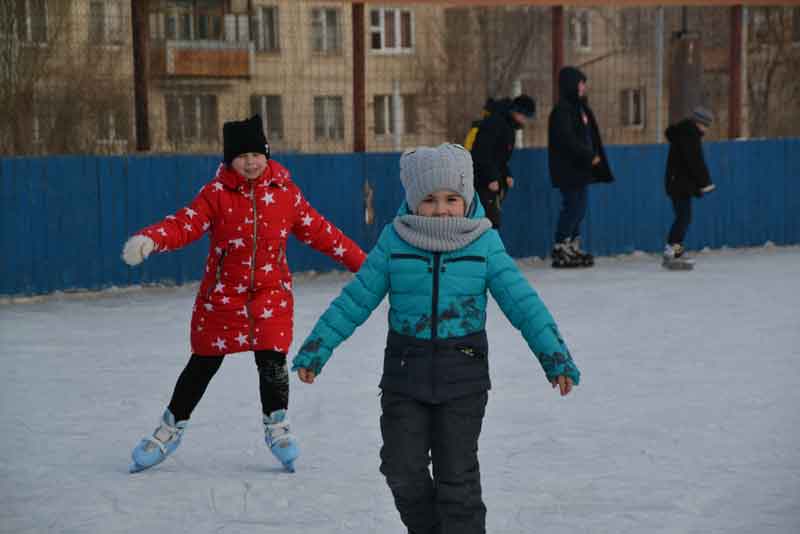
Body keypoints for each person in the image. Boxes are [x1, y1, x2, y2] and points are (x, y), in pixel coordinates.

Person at [292, 143, 580, 534]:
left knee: (456, 478)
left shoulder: (483, 242)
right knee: (401, 468)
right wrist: (317, 347)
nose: (442, 209)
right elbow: (355, 300)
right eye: (429, 199)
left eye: (451, 198)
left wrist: (555, 356)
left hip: (463, 376)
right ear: (412, 201)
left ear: (468, 198)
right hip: (404, 374)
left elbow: (523, 303)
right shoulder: (396, 240)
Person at [121, 115, 366, 473]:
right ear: (228, 160)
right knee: (202, 364)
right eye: (241, 156)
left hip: (270, 295)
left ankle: (277, 426)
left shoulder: (287, 195)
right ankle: (170, 428)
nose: (250, 162)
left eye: (256, 153)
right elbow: (184, 224)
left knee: (272, 362)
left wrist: (368, 266)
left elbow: (324, 233)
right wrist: (152, 240)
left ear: (266, 154)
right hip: (223, 297)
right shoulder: (216, 195)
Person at [547, 66, 614, 268]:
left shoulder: (580, 109)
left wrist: (594, 157)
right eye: (580, 83)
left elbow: (588, 136)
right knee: (573, 206)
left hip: (580, 169)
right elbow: (567, 139)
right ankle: (561, 245)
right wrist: (588, 155)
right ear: (571, 85)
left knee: (580, 207)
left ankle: (573, 243)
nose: (584, 87)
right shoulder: (562, 111)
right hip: (568, 169)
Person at [469, 94, 536, 229]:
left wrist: (507, 174)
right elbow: (481, 153)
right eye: (524, 116)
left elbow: (500, 158)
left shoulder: (508, 127)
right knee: (488, 222)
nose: (525, 121)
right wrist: (491, 178)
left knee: (492, 221)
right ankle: (484, 250)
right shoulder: (495, 123)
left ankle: (487, 249)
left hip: (493, 183)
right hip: (482, 182)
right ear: (517, 112)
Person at [662, 106, 716, 270]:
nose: (706, 130)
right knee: (683, 217)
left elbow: (691, 161)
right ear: (699, 123)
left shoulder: (685, 133)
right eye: (706, 125)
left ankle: (675, 250)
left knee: (683, 216)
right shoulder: (689, 135)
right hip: (679, 183)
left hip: (678, 182)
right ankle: (671, 250)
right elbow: (695, 161)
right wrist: (705, 182)